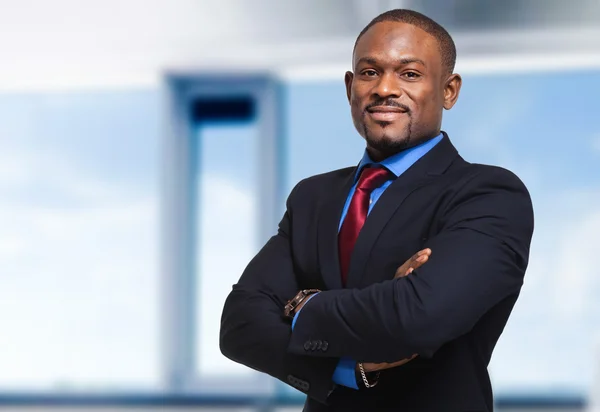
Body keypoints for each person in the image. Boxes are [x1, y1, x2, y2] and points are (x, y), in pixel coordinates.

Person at [220, 8, 534, 412]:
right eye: (369, 73)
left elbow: (419, 316)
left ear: (449, 90)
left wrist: (303, 305)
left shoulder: (488, 194)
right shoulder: (313, 198)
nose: (385, 88)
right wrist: (348, 367)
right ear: (350, 86)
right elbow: (240, 325)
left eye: (409, 74)